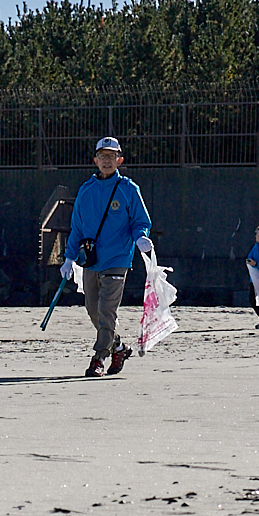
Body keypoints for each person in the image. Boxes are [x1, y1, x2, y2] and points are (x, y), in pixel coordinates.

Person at [67, 136, 151, 376]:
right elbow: (77, 228)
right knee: (93, 308)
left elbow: (140, 221)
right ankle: (119, 347)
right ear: (95, 160)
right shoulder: (86, 190)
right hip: (91, 261)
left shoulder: (128, 189)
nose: (106, 161)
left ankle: (99, 358)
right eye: (102, 156)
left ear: (119, 160)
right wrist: (68, 258)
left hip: (118, 259)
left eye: (111, 156)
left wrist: (140, 237)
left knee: (106, 310)